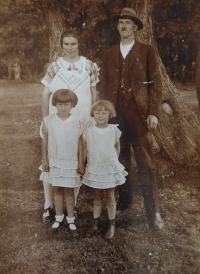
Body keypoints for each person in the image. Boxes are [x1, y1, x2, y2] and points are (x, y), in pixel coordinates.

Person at [98, 7, 164, 229]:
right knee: (119, 158)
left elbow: (156, 83)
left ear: (135, 27)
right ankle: (125, 201)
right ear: (117, 27)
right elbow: (104, 84)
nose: (123, 26)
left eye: (128, 23)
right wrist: (105, 112)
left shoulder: (146, 51)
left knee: (146, 162)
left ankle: (153, 212)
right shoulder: (109, 53)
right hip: (115, 114)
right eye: (120, 23)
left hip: (139, 114)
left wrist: (153, 112)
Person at [41, 29, 99, 224]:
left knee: (75, 161)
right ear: (61, 45)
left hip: (80, 118)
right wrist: (44, 119)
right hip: (56, 118)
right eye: (66, 44)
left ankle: (71, 204)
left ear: (78, 44)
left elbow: (94, 93)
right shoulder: (54, 66)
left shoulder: (89, 65)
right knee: (52, 161)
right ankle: (48, 205)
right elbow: (45, 95)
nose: (70, 47)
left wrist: (91, 117)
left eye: (73, 43)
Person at [80, 100, 128, 239]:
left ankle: (112, 223)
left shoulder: (114, 130)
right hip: (95, 167)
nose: (100, 115)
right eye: (97, 112)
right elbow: (84, 149)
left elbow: (117, 147)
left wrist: (113, 164)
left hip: (109, 168)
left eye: (104, 112)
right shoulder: (88, 131)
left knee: (110, 196)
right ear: (93, 114)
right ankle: (96, 222)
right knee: (97, 196)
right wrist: (82, 163)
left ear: (110, 114)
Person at [39, 89, 82, 235]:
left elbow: (81, 143)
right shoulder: (48, 120)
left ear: (72, 105)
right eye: (59, 104)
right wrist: (45, 159)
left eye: (66, 104)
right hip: (54, 160)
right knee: (57, 190)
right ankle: (58, 218)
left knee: (69, 192)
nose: (63, 107)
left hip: (71, 161)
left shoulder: (77, 121)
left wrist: (81, 163)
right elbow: (45, 140)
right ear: (55, 105)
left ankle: (70, 219)